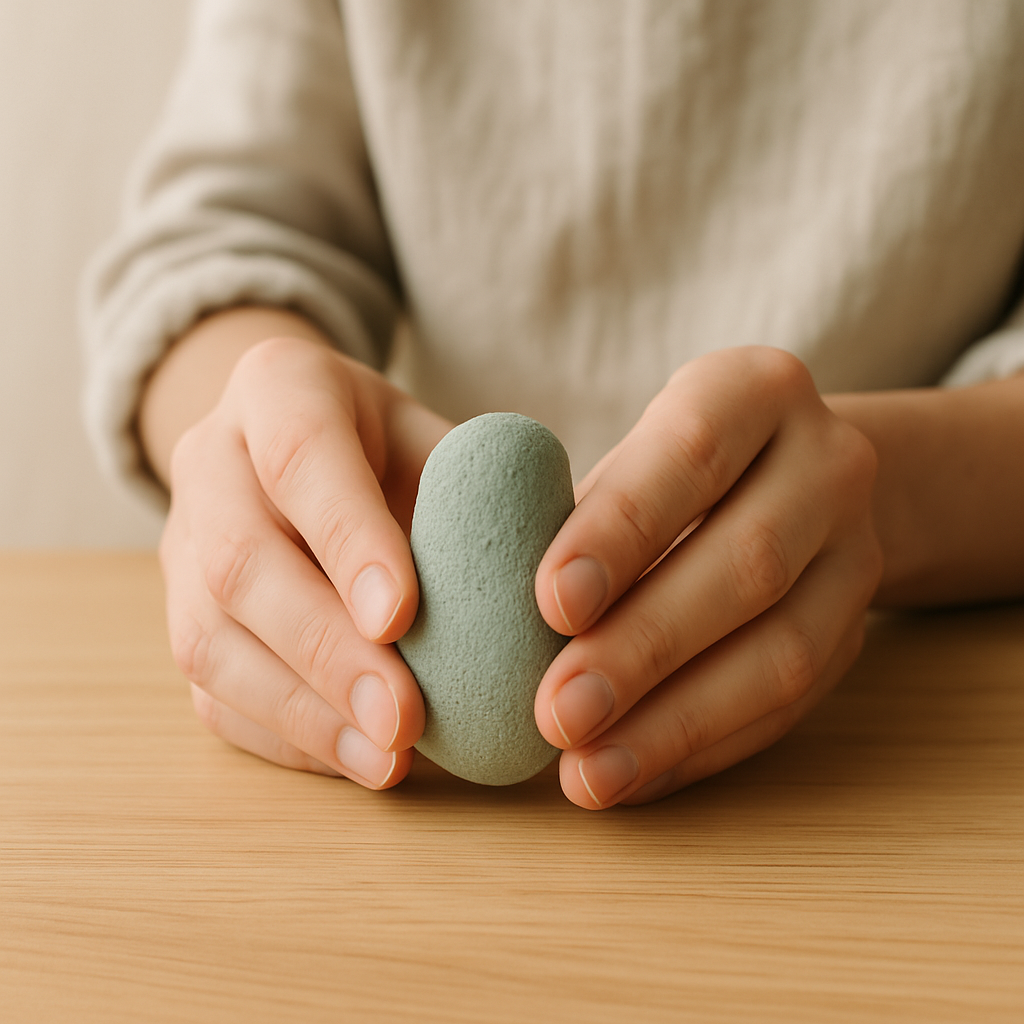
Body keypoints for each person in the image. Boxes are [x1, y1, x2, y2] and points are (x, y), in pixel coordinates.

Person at [82, 0, 1024, 810]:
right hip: (420, 741)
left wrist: (887, 494)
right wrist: (261, 445)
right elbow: (218, 240)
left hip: (930, 710)